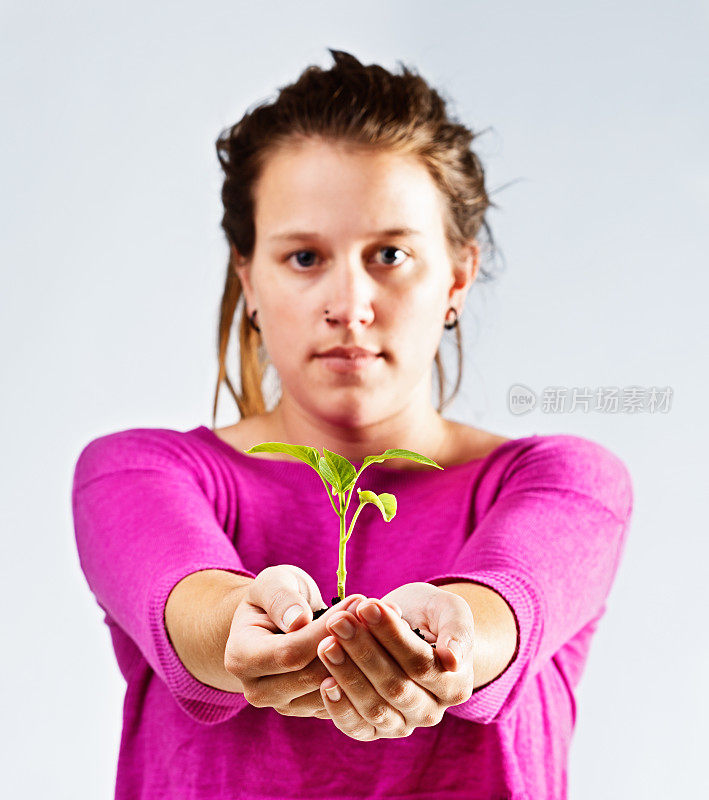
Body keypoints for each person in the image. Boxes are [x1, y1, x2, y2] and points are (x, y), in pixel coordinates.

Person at [71, 49, 634, 800]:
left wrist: (443, 641)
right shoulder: (137, 471)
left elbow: (505, 603)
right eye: (304, 256)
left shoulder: (562, 481)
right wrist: (248, 626)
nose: (348, 302)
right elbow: (188, 604)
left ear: (457, 277)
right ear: (248, 275)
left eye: (390, 254)